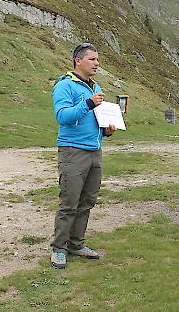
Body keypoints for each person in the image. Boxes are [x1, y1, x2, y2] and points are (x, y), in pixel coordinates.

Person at [50, 43, 116, 269]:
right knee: (69, 202)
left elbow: (94, 118)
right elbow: (62, 116)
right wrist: (88, 103)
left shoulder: (94, 86)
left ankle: (76, 244)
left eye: (98, 60)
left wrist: (106, 130)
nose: (97, 64)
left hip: (94, 150)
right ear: (78, 60)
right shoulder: (64, 86)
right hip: (73, 150)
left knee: (87, 201)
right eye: (92, 59)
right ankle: (59, 248)